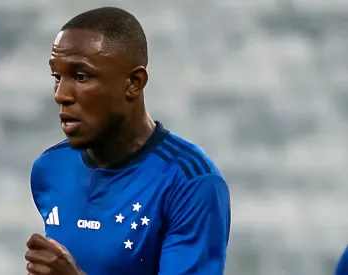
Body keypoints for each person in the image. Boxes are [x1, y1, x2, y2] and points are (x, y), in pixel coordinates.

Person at [26, 6, 231, 275]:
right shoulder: (50, 168)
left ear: (134, 82)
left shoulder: (190, 183)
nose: (61, 94)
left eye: (80, 76)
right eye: (57, 77)